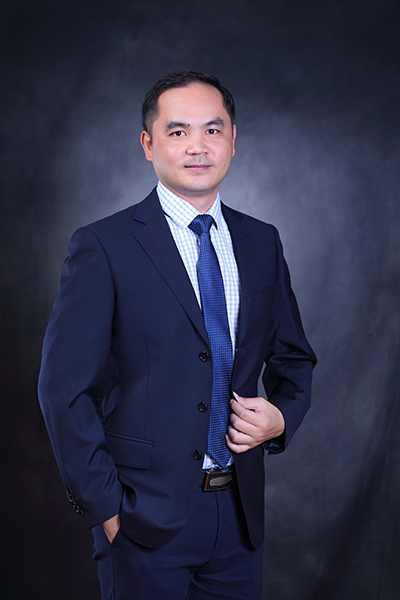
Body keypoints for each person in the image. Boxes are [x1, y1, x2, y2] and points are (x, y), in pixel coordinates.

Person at [38, 70, 317, 600]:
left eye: (212, 130)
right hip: (141, 516)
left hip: (239, 516)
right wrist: (107, 510)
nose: (197, 146)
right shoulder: (104, 245)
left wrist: (281, 418)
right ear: (148, 144)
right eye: (178, 131)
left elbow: (294, 357)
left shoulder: (262, 241)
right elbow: (64, 390)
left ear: (233, 139)